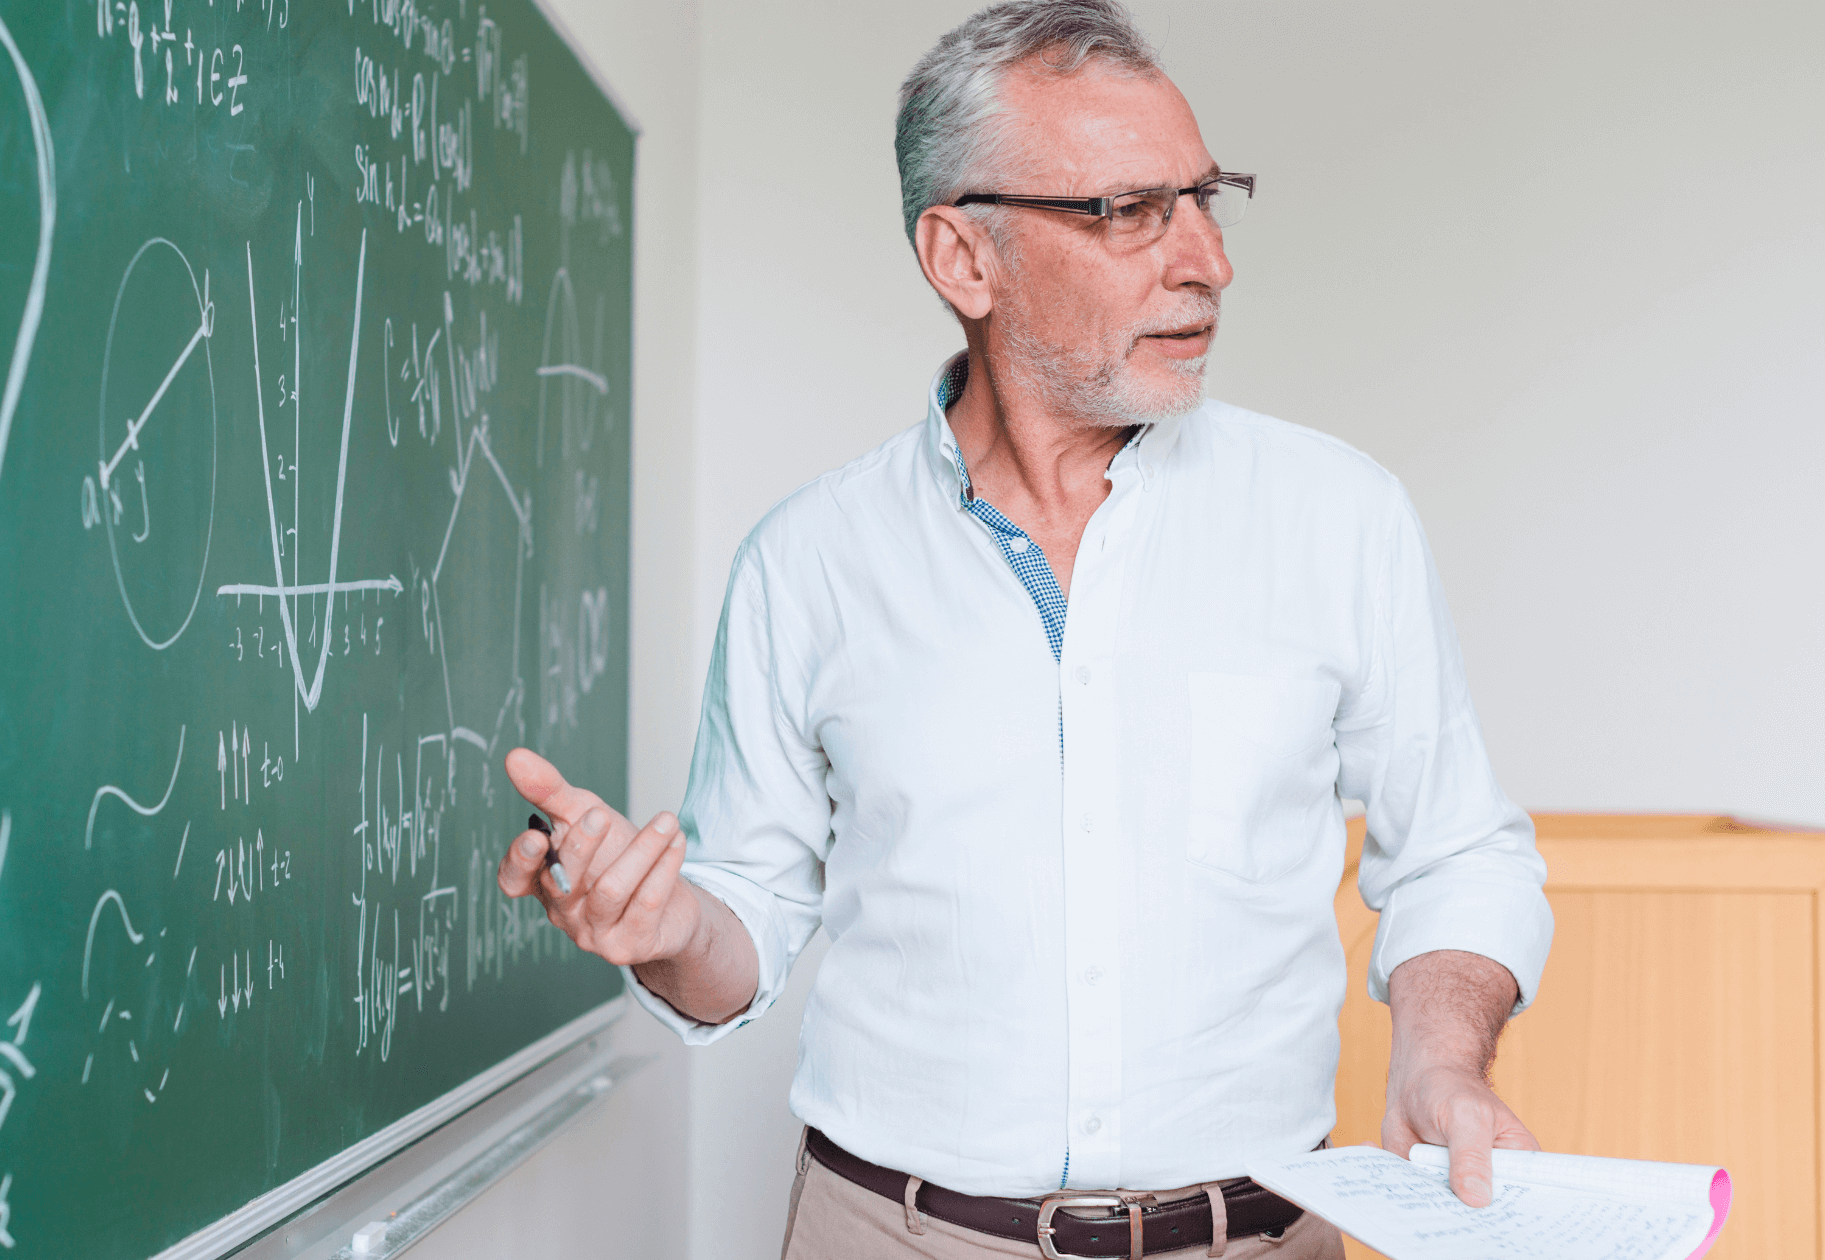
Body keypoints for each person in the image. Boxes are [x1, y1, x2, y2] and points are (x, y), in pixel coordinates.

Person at [497, 2, 1553, 1256]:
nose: (1207, 258)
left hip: (1261, 1234)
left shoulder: (1340, 519)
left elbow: (1453, 855)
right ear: (961, 259)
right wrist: (667, 932)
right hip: (889, 1234)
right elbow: (744, 922)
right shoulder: (806, 562)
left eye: (1207, 196)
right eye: (1127, 211)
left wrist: (1441, 1060)